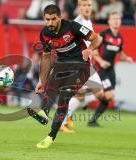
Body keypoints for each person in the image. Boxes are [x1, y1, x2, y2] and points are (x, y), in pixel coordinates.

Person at [27, 4, 102, 149]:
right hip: (61, 65)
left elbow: (97, 38)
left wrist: (90, 49)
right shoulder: (44, 33)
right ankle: (43, 114)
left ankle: (50, 136)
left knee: (63, 97)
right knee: (48, 91)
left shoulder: (73, 27)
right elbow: (47, 57)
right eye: (47, 19)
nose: (50, 23)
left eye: (53, 19)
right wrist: (42, 80)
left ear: (60, 17)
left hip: (80, 66)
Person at [60, 0, 103, 133]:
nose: (87, 8)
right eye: (84, 5)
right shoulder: (77, 23)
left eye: (89, 5)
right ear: (79, 7)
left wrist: (91, 50)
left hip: (86, 64)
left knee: (97, 92)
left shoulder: (88, 22)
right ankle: (62, 121)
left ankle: (66, 117)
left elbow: (89, 42)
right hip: (79, 64)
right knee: (85, 94)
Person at [88, 11, 133, 126]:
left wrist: (126, 58)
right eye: (113, 19)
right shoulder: (103, 35)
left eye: (118, 18)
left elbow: (120, 53)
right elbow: (93, 50)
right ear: (109, 21)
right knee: (110, 95)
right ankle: (85, 98)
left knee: (108, 97)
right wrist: (101, 61)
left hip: (110, 70)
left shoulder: (119, 38)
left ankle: (93, 120)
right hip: (100, 69)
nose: (116, 21)